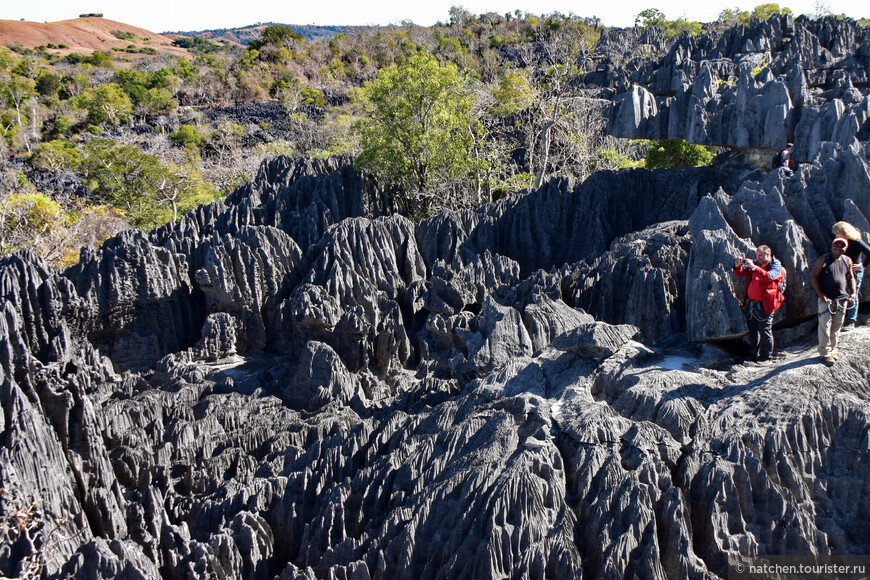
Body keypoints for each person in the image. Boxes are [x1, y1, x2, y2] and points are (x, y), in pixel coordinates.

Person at [732, 245, 784, 362]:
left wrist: (754, 267)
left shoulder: (776, 266)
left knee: (765, 331)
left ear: (768, 254)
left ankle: (766, 356)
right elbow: (741, 272)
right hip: (753, 304)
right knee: (753, 331)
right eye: (756, 255)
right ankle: (753, 354)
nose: (757, 258)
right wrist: (737, 265)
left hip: (766, 304)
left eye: (760, 255)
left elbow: (768, 277)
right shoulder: (757, 264)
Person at [810, 237, 857, 363]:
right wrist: (820, 294)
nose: (839, 248)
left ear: (846, 248)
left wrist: (853, 292)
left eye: (842, 246)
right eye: (836, 245)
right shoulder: (824, 259)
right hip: (827, 299)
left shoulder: (847, 260)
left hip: (842, 298)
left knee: (837, 325)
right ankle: (824, 352)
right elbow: (813, 275)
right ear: (832, 246)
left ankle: (833, 349)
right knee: (825, 325)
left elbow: (850, 277)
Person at [832, 221, 870, 330]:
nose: (835, 236)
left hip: (854, 272)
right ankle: (840, 319)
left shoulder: (856, 241)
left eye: (837, 233)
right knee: (841, 293)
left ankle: (851, 321)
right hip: (842, 271)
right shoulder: (840, 242)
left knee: (853, 294)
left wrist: (862, 265)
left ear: (843, 232)